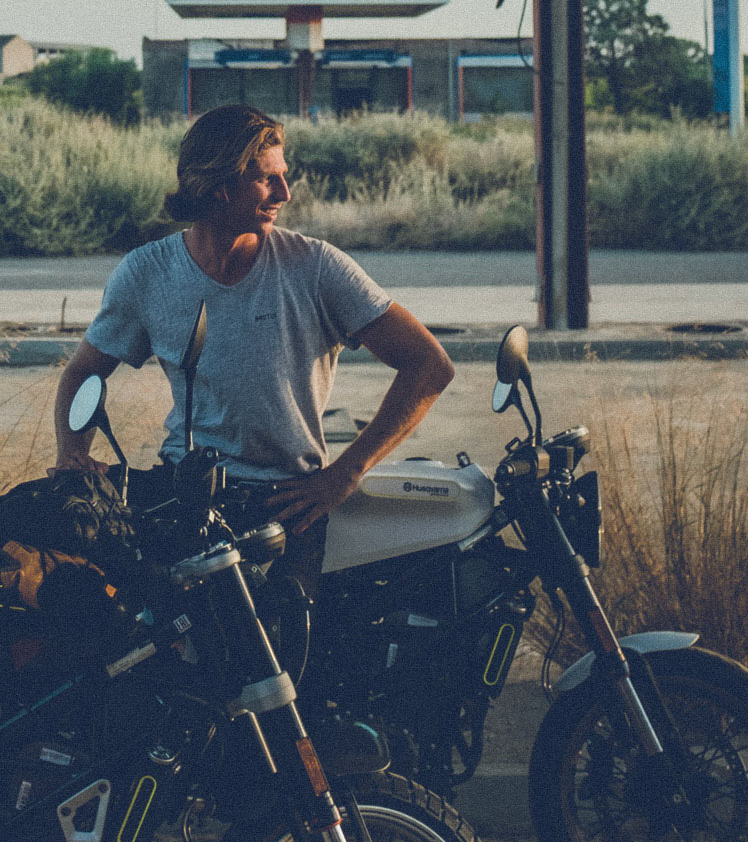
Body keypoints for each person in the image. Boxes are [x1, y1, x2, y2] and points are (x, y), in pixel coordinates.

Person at [53, 103, 454, 590]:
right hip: (186, 493)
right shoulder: (146, 273)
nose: (285, 193)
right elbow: (83, 373)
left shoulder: (315, 266)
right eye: (267, 180)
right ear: (217, 185)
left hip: (289, 503)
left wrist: (345, 475)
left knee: (283, 639)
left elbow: (429, 365)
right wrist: (72, 454)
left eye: (284, 176)